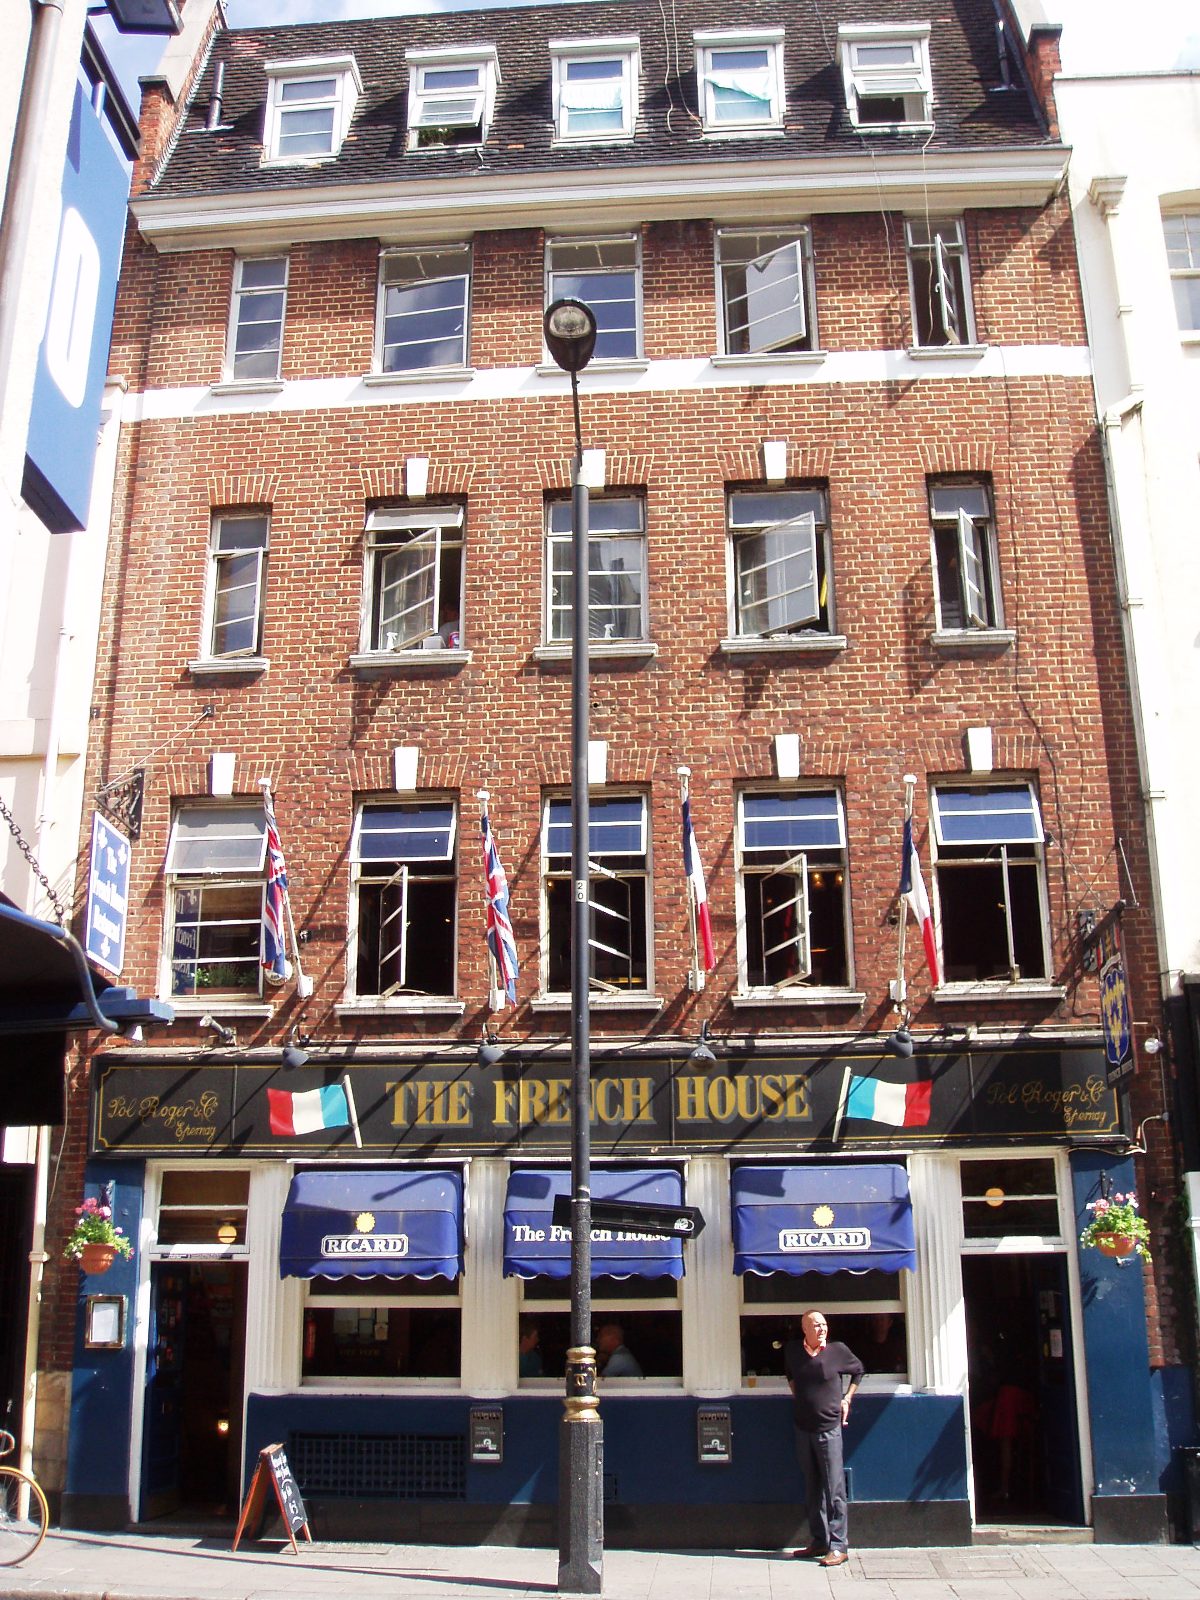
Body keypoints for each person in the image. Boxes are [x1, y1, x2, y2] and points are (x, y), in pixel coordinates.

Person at [784, 1309, 864, 1568]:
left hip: (829, 1428)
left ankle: (839, 1546)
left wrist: (847, 1398)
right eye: (816, 1325)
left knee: (834, 1488)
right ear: (804, 1328)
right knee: (812, 1486)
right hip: (803, 1428)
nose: (822, 1329)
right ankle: (819, 1540)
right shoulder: (793, 1351)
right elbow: (791, 1376)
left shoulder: (838, 1351)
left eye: (824, 1324)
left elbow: (859, 1370)